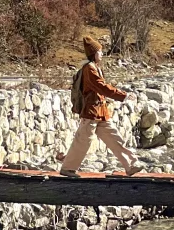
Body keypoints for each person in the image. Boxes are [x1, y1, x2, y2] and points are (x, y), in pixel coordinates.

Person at [60, 36, 141, 176]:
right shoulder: (90, 70)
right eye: (100, 51)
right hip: (91, 112)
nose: (102, 54)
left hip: (100, 112)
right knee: (83, 141)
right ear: (94, 54)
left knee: (114, 138)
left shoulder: (94, 68)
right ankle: (67, 168)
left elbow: (101, 88)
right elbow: (101, 87)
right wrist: (123, 95)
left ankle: (131, 165)